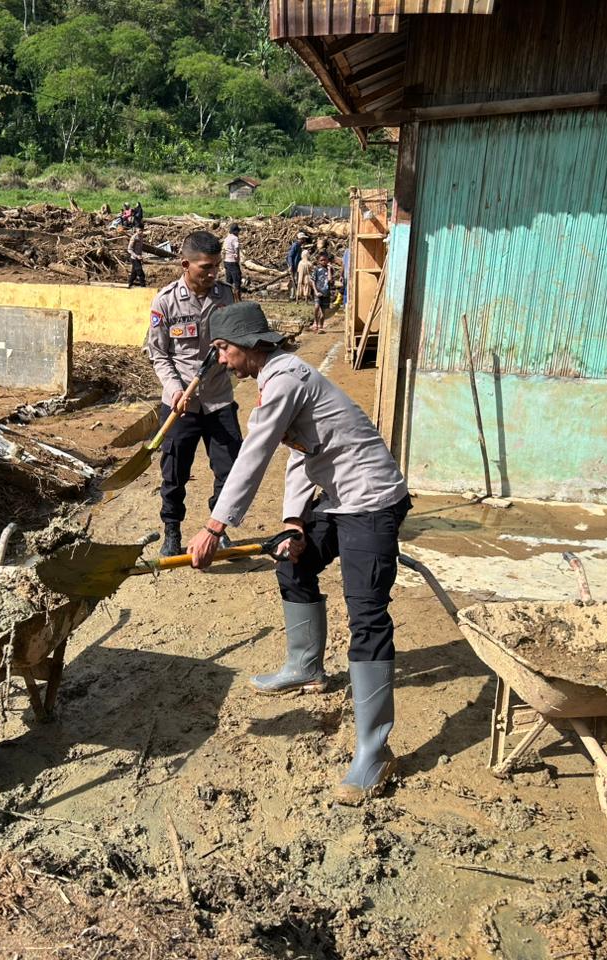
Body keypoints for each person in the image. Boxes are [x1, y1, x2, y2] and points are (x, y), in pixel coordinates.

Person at [184, 301, 411, 805]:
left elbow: (256, 452)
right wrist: (292, 523)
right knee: (293, 559)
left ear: (246, 344)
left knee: (367, 617)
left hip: (371, 503)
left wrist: (214, 526)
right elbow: (297, 454)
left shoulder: (285, 378)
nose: (220, 360)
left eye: (222, 349)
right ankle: (306, 665)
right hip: (337, 498)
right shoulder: (276, 377)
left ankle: (375, 753)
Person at [146, 231, 242, 556]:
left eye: (216, 266)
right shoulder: (165, 301)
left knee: (229, 469)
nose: (213, 273)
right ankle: (171, 529)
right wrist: (174, 390)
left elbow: (237, 341)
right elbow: (159, 353)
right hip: (180, 403)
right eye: (205, 267)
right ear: (185, 264)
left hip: (218, 398)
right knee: (174, 473)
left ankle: (218, 527)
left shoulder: (226, 297)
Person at [312, 253, 333, 332]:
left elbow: (330, 280)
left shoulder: (330, 270)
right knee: (316, 306)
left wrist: (329, 269)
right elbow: (313, 281)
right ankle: (315, 322)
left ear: (328, 260)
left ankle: (321, 326)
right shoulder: (317, 270)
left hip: (326, 293)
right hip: (318, 292)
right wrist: (315, 291)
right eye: (321, 260)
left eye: (325, 260)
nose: (323, 261)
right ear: (318, 261)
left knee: (323, 312)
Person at [222, 223, 242, 300]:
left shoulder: (226, 238)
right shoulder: (235, 238)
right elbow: (236, 247)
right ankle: (238, 299)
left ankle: (228, 298)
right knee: (237, 280)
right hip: (232, 261)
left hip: (226, 261)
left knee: (228, 281)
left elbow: (223, 250)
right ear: (236, 231)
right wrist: (237, 257)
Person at [286, 231, 306, 300]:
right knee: (293, 280)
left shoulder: (299, 246)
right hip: (293, 266)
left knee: (296, 280)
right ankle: (292, 296)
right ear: (300, 239)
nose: (304, 240)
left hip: (297, 266)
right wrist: (291, 265)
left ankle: (295, 295)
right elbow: (290, 256)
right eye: (303, 239)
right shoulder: (295, 245)